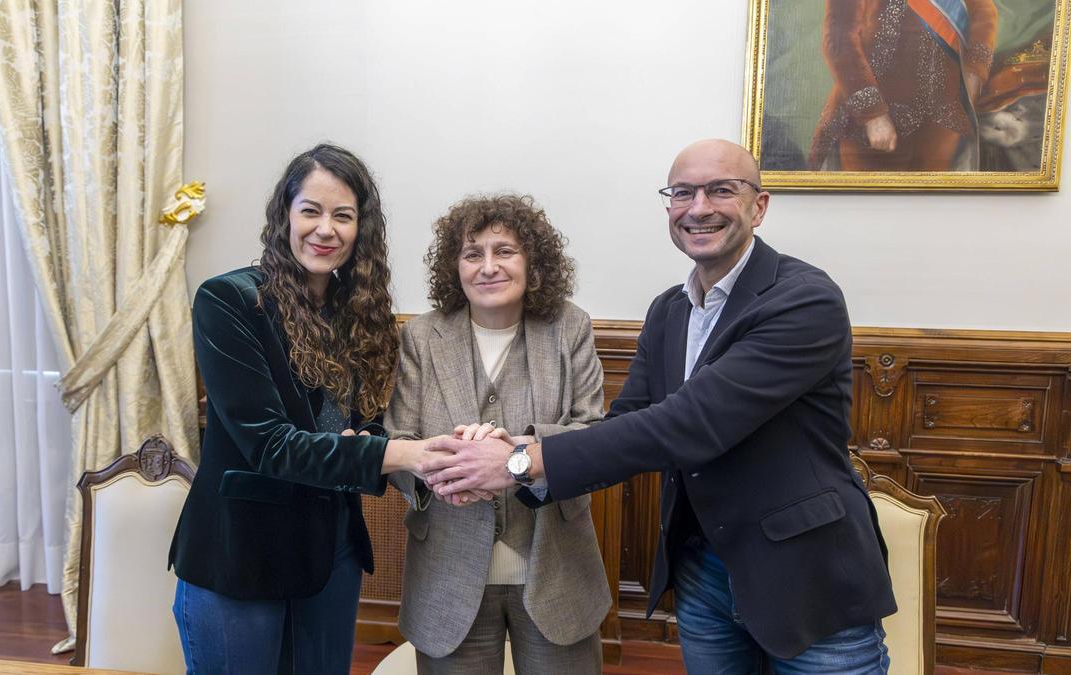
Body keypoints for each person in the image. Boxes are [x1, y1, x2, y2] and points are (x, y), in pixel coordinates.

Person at [423, 140, 898, 673]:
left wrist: (518, 462)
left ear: (759, 206)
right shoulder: (669, 309)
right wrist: (522, 451)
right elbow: (628, 423)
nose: (699, 207)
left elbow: (691, 424)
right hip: (701, 572)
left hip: (805, 577)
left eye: (721, 190)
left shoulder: (804, 298)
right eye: (683, 193)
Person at [167, 143, 444, 674]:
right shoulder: (227, 301)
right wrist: (401, 454)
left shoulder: (359, 313)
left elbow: (358, 424)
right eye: (310, 211)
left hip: (329, 554)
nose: (325, 229)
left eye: (343, 215)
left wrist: (377, 440)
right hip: (240, 556)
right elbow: (269, 445)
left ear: (362, 229)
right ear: (285, 215)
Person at [385, 195, 611, 674]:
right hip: (447, 575)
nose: (488, 267)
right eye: (473, 254)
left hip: (557, 572)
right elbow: (400, 440)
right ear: (455, 268)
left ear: (533, 262)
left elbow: (593, 437)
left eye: (504, 251)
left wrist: (514, 458)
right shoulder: (421, 337)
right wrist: (450, 470)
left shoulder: (570, 328)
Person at [810, 0, 997, 171]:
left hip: (943, 126)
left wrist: (974, 73)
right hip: (873, 129)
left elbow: (983, 12)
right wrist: (873, 114)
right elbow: (839, 39)